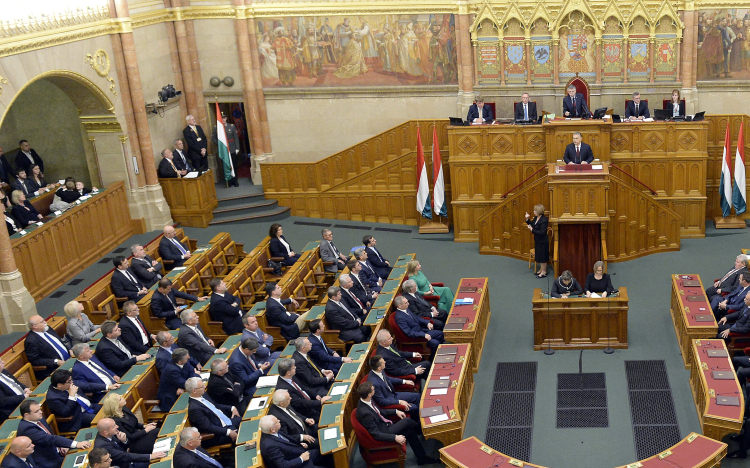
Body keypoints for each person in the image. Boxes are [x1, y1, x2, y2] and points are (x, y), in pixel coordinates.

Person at [355, 382, 440, 466]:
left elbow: (380, 412)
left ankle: (422, 458)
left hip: (385, 425)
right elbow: (376, 434)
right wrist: (395, 437)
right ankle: (424, 429)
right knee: (407, 421)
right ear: (369, 394)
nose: (375, 390)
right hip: (384, 432)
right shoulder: (365, 414)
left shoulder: (367, 400)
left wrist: (396, 411)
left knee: (409, 431)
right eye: (373, 389)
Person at [18, 399, 91, 468]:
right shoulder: (27, 429)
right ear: (26, 415)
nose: (41, 412)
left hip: (57, 450)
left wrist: (61, 445)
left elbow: (50, 434)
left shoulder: (38, 418)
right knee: (85, 460)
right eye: (37, 411)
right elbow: (49, 439)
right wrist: (76, 444)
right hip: (49, 461)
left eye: (40, 409)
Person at [186, 377, 241, 447]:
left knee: (245, 421)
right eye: (202, 387)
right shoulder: (194, 409)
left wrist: (231, 408)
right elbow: (208, 427)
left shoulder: (203, 395)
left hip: (225, 421)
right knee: (243, 433)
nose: (205, 387)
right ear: (194, 391)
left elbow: (215, 406)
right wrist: (228, 432)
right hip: (217, 434)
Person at [259, 415, 327, 468]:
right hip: (297, 463)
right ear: (272, 429)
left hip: (299, 452)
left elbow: (286, 442)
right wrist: (301, 459)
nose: (279, 420)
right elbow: (283, 465)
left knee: (324, 452)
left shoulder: (273, 432)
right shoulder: (269, 446)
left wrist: (299, 444)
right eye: (277, 422)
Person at [94, 418, 165, 468]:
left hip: (130, 461)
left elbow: (124, 449)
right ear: (105, 432)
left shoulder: (109, 434)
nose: (117, 427)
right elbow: (124, 456)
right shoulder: (103, 445)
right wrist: (151, 456)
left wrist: (124, 441)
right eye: (114, 426)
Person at [46, 369, 100, 433]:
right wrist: (71, 396)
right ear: (59, 385)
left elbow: (87, 386)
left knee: (108, 408)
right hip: (77, 417)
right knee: (101, 419)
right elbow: (66, 412)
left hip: (90, 406)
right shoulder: (53, 398)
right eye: (69, 381)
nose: (72, 382)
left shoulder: (68, 384)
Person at [24, 315, 70, 381]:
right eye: (42, 321)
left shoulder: (48, 329)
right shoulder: (31, 341)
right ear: (35, 326)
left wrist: (69, 350)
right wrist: (55, 361)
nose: (45, 322)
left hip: (69, 359)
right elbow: (35, 360)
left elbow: (59, 342)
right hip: (55, 369)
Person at [0, 358, 30, 424]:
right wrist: (23, 397)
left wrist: (25, 388)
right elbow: (2, 401)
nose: (3, 362)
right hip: (12, 408)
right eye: (0, 361)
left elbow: (16, 382)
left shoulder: (3, 371)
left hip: (24, 398)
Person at [525, 204, 549, 278]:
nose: (533, 211)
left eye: (535, 210)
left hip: (543, 241)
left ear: (538, 211)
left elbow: (542, 232)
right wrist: (527, 219)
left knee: (543, 256)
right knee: (540, 255)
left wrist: (532, 230)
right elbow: (532, 224)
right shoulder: (536, 217)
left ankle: (544, 272)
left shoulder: (544, 220)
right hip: (538, 240)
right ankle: (541, 270)